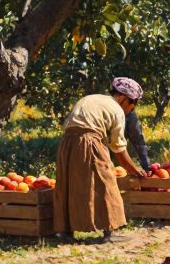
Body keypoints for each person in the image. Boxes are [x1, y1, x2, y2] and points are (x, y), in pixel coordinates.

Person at [54, 78, 148, 243]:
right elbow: (118, 150)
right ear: (123, 98)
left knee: (69, 184)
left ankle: (65, 233)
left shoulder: (91, 98)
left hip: (66, 143)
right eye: (133, 103)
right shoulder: (117, 110)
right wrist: (135, 170)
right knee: (106, 181)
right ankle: (109, 231)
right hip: (89, 141)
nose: (132, 108)